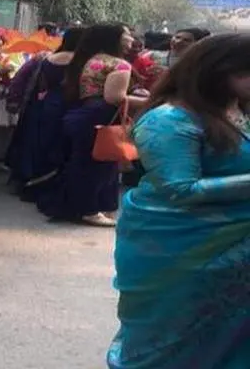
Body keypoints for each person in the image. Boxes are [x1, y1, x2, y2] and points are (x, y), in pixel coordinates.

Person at [108, 34, 250, 369]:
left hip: (235, 253)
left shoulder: (234, 110)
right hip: (179, 249)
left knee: (231, 335)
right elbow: (180, 189)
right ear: (220, 71)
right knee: (173, 338)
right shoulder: (169, 120)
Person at [37, 24, 142, 227]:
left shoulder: (89, 60)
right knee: (99, 165)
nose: (131, 39)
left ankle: (83, 208)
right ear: (115, 38)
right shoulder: (119, 64)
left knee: (83, 163)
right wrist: (152, 101)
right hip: (102, 115)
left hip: (83, 114)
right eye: (127, 35)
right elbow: (114, 97)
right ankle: (90, 210)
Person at [4, 27, 84, 201]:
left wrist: (14, 101)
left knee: (35, 144)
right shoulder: (83, 62)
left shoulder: (44, 58)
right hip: (71, 105)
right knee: (61, 145)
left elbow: (20, 78)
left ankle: (29, 181)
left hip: (42, 105)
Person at [145, 28, 210, 69]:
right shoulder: (153, 55)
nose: (178, 42)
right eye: (177, 37)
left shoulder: (199, 63)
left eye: (186, 40)